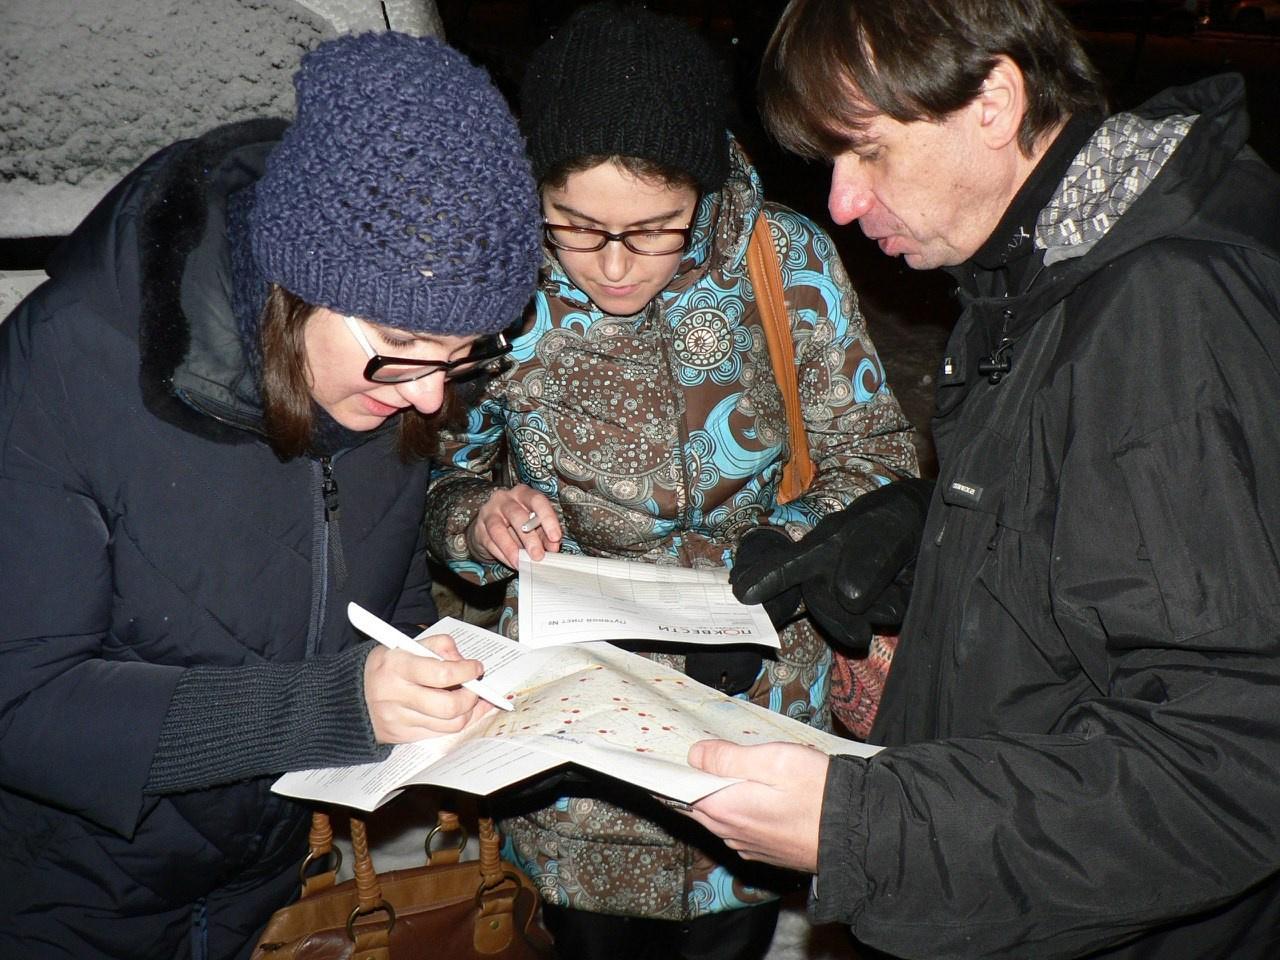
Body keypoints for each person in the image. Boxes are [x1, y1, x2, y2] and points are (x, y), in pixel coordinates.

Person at [682, 1, 1280, 958]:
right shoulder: (1035, 272)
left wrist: (868, 830)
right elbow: (1103, 548)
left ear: (995, 99)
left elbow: (1230, 764)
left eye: (866, 151)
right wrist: (922, 541)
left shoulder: (1164, 314)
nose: (840, 201)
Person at [0, 31, 541, 960]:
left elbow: (383, 603)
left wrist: (438, 685)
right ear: (296, 283)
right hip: (62, 899)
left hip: (261, 890)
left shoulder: (383, 387)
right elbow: (21, 703)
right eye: (406, 343)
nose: (430, 396)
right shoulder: (67, 364)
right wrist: (338, 709)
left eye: (464, 357)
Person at [421, 5, 918, 959]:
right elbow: (443, 476)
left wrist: (793, 551)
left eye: (654, 231)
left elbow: (876, 454)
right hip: (575, 756)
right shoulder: (497, 283)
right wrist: (482, 520)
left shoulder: (786, 261)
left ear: (704, 191)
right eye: (576, 227)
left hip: (755, 721)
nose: (612, 266)